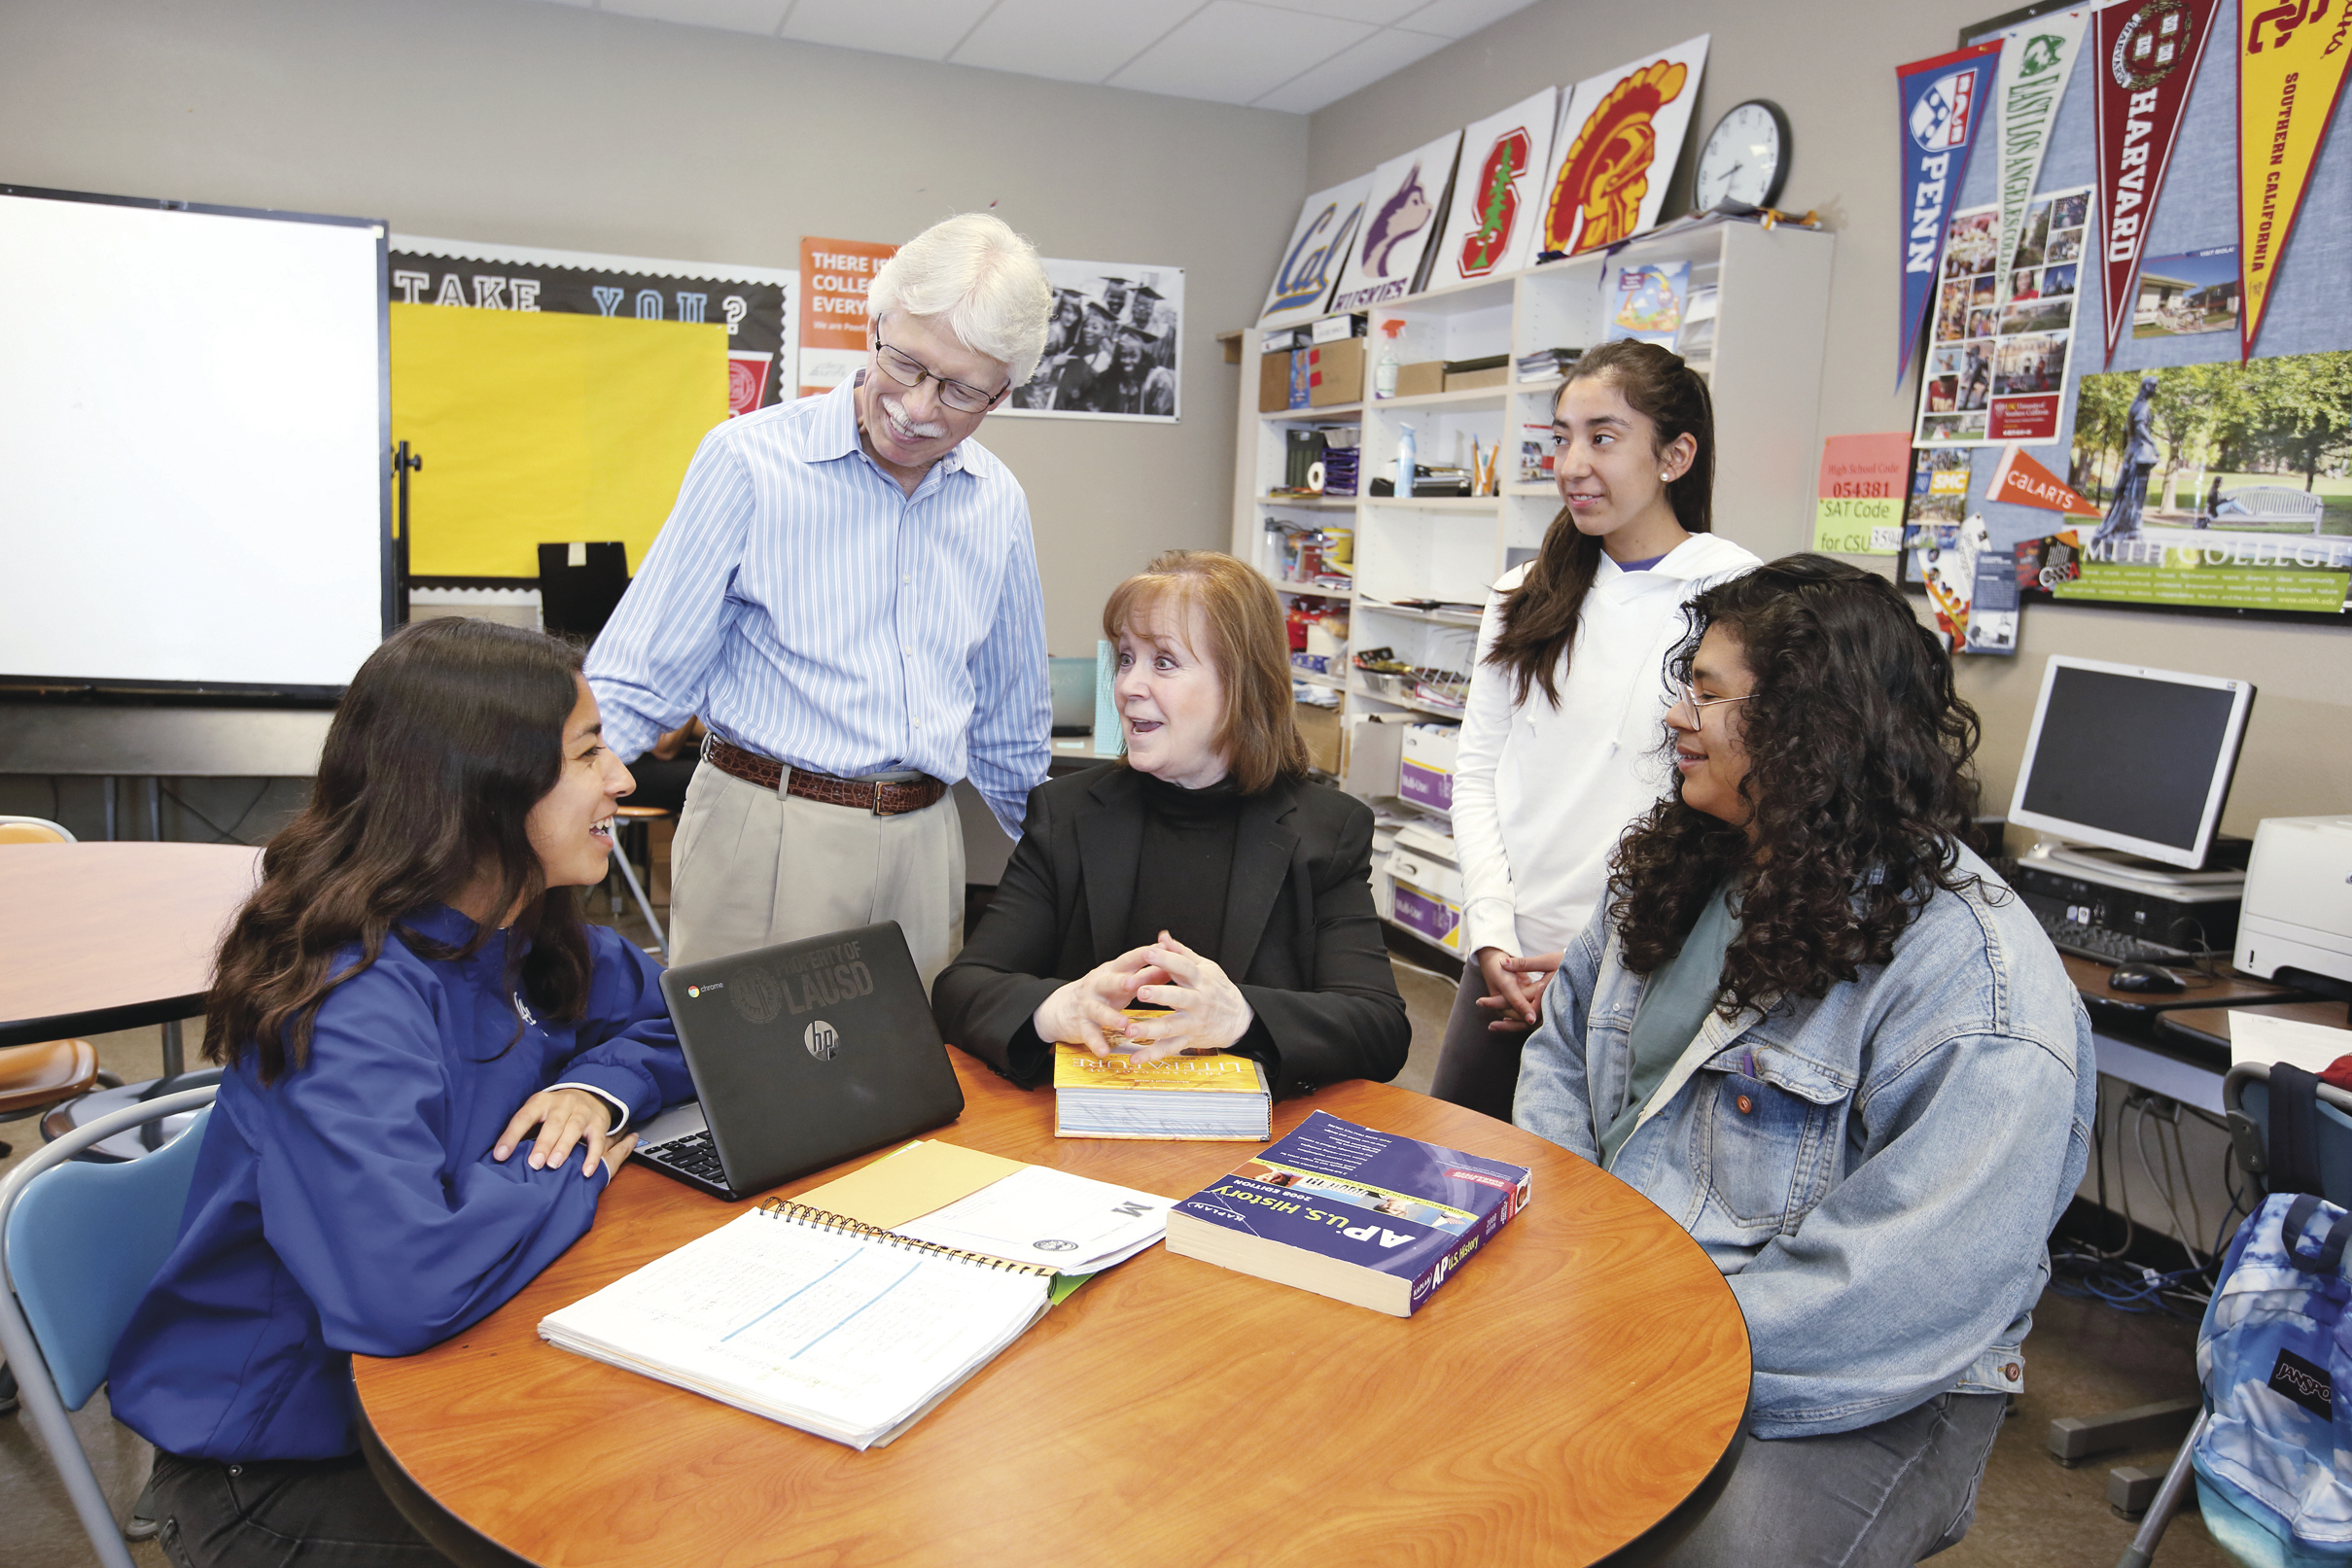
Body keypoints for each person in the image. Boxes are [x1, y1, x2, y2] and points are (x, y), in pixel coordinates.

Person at [1513, 556, 2094, 1568]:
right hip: (1620, 1309)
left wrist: (1643, 1347)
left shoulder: (1975, 982)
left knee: (1659, 1545)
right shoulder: (1682, 861)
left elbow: (1902, 1285)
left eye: (1705, 691)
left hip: (1846, 1382)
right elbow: (1562, 1054)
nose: (1673, 715)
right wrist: (1565, 1270)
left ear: (1808, 728)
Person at [109, 617, 694, 1567]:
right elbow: (404, 1287)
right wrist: (568, 1167)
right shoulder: (351, 997)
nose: (624, 779)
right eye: (590, 751)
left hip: (446, 1386)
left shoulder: (516, 928)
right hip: (273, 1472)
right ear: (485, 788)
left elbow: (677, 1016)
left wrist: (594, 1088)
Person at [585, 212, 1056, 983]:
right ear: (873, 325)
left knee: (911, 1087)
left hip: (924, 841)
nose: (919, 407)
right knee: (750, 1086)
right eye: (904, 364)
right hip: (764, 827)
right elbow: (641, 674)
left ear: (1001, 394)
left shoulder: (997, 501)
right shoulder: (747, 461)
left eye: (961, 389)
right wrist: (554, 800)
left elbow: (1010, 729)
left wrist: (1067, 872)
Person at [1429, 338, 1760, 1121]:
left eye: (1602, 437)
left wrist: (1597, 960)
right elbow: (1475, 773)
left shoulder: (1740, 595)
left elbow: (1734, 804)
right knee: (1447, 1180)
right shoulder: (1524, 596)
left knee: (1593, 1216)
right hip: (1505, 962)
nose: (1572, 463)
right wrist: (1490, 935)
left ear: (1675, 455)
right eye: (1560, 438)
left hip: (1646, 970)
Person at [933, 550, 1408, 1094]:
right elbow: (960, 991)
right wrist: (1055, 1008)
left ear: (1242, 684)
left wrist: (1244, 1018)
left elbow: (1380, 1029)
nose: (1129, 685)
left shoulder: (1327, 830)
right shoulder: (1065, 815)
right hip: (1086, 1136)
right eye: (1126, 658)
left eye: (1163, 662)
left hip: (1255, 1141)